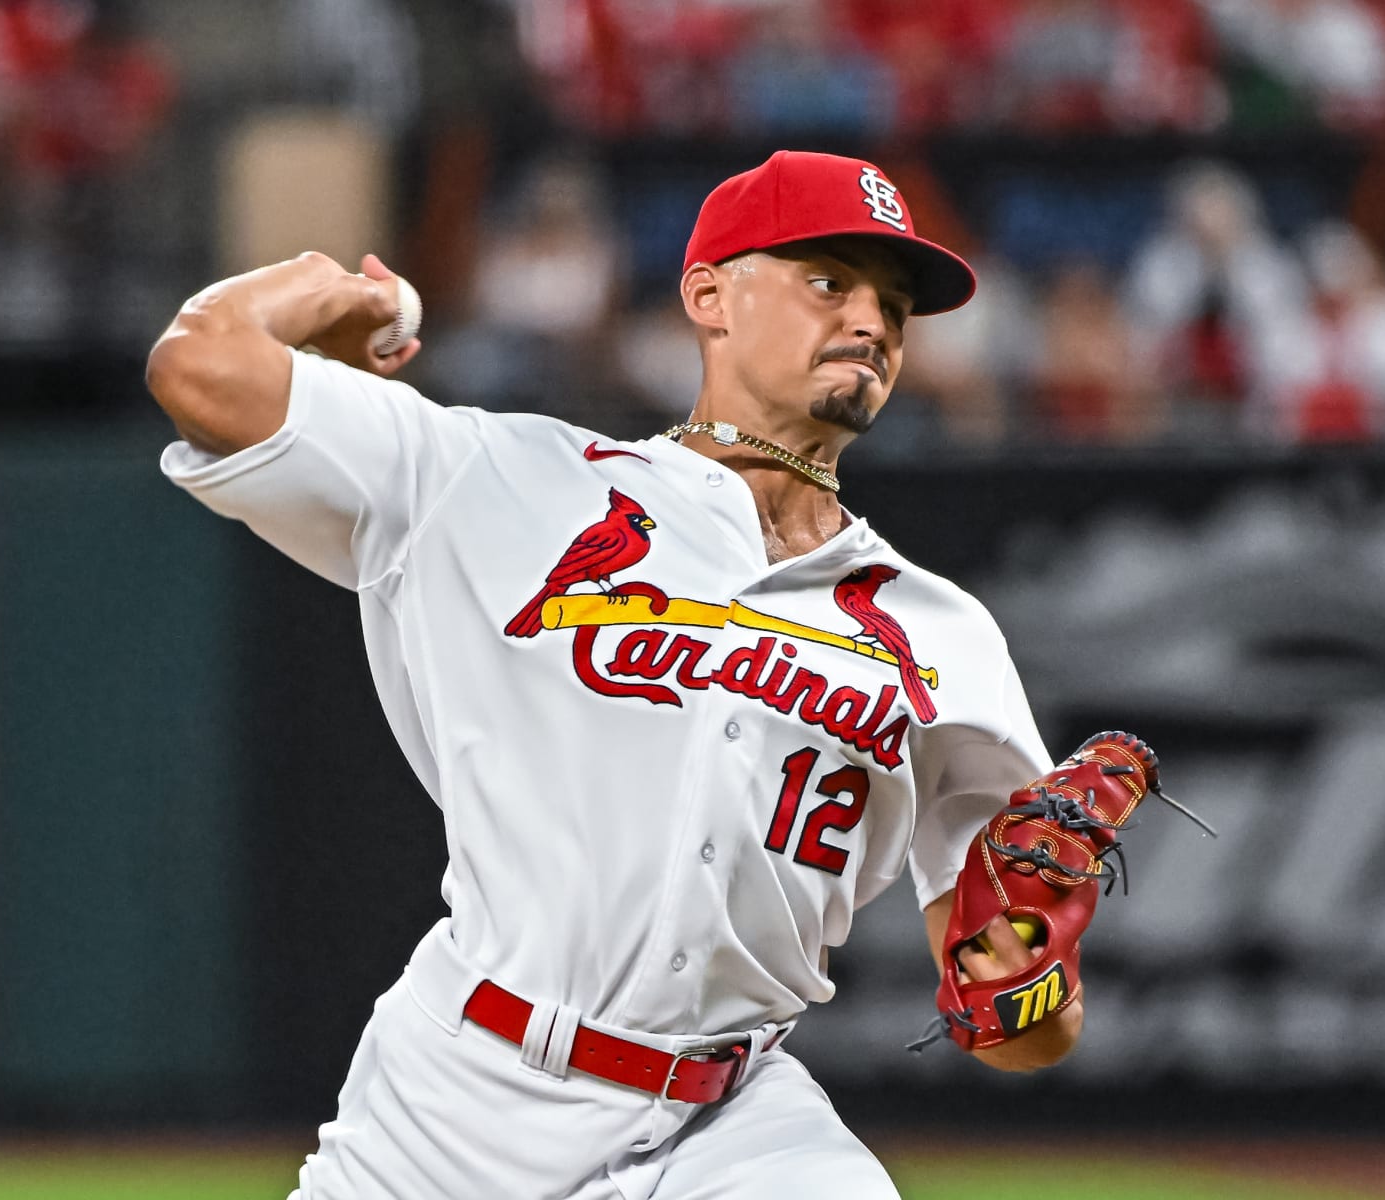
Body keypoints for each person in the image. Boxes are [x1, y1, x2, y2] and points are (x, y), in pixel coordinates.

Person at [147, 149, 1075, 1200]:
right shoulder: (504, 479)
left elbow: (1018, 1035)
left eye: (895, 304)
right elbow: (200, 365)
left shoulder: (943, 633)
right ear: (709, 295)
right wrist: (345, 291)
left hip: (731, 1124)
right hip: (459, 1105)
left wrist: (1030, 986)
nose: (871, 322)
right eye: (830, 281)